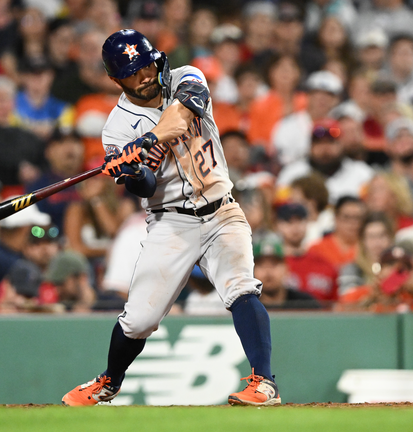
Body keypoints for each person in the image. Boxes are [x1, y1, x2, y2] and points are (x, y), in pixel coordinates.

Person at [61, 29, 282, 407]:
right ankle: (110, 381)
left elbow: (181, 115)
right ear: (116, 79)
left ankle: (264, 383)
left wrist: (148, 141)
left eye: (146, 65)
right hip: (171, 221)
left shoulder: (186, 76)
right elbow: (145, 188)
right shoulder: (115, 128)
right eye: (133, 72)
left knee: (240, 287)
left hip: (221, 210)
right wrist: (130, 169)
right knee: (138, 320)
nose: (144, 76)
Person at [277, 119, 375, 206]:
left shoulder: (362, 173)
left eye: (330, 142)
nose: (325, 148)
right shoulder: (292, 173)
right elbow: (281, 207)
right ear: (310, 146)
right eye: (319, 142)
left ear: (341, 144)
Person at [271, 70, 344, 166]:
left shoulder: (342, 124)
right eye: (316, 93)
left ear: (336, 100)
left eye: (328, 94)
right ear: (307, 96)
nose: (322, 99)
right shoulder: (288, 124)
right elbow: (279, 157)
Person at [274, 203, 339, 306]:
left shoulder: (325, 264)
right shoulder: (272, 265)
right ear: (277, 225)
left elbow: (335, 305)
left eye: (300, 221)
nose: (295, 227)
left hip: (320, 320)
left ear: (307, 223)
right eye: (288, 221)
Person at [335, 245, 413, 313]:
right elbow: (339, 314)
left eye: (402, 268)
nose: (394, 270)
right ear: (379, 270)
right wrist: (369, 301)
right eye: (390, 264)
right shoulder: (359, 294)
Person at [24, 125, 86, 229]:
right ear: (48, 152)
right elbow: (34, 227)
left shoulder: (96, 182)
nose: (69, 148)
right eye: (61, 143)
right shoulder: (38, 187)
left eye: (75, 142)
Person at [13, 55, 75, 141]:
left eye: (42, 73)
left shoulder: (63, 109)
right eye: (32, 73)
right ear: (23, 76)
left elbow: (67, 135)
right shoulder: (10, 104)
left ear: (51, 76)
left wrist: (53, 132)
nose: (37, 78)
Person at [252, 236, 323, 310]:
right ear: (253, 270)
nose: (268, 271)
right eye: (261, 265)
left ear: (286, 269)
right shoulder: (246, 306)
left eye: (274, 264)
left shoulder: (305, 304)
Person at [337, 212, 395, 295]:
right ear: (363, 240)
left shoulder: (401, 267)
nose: (377, 242)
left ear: (390, 238)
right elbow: (348, 299)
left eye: (382, 236)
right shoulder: (352, 269)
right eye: (371, 237)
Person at [307, 195, 367, 270]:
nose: (352, 223)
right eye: (347, 217)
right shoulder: (317, 250)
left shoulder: (368, 249)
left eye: (357, 218)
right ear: (336, 218)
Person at [288, 174, 335, 247]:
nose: (292, 203)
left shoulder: (331, 222)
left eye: (296, 199)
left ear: (312, 201)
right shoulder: (293, 225)